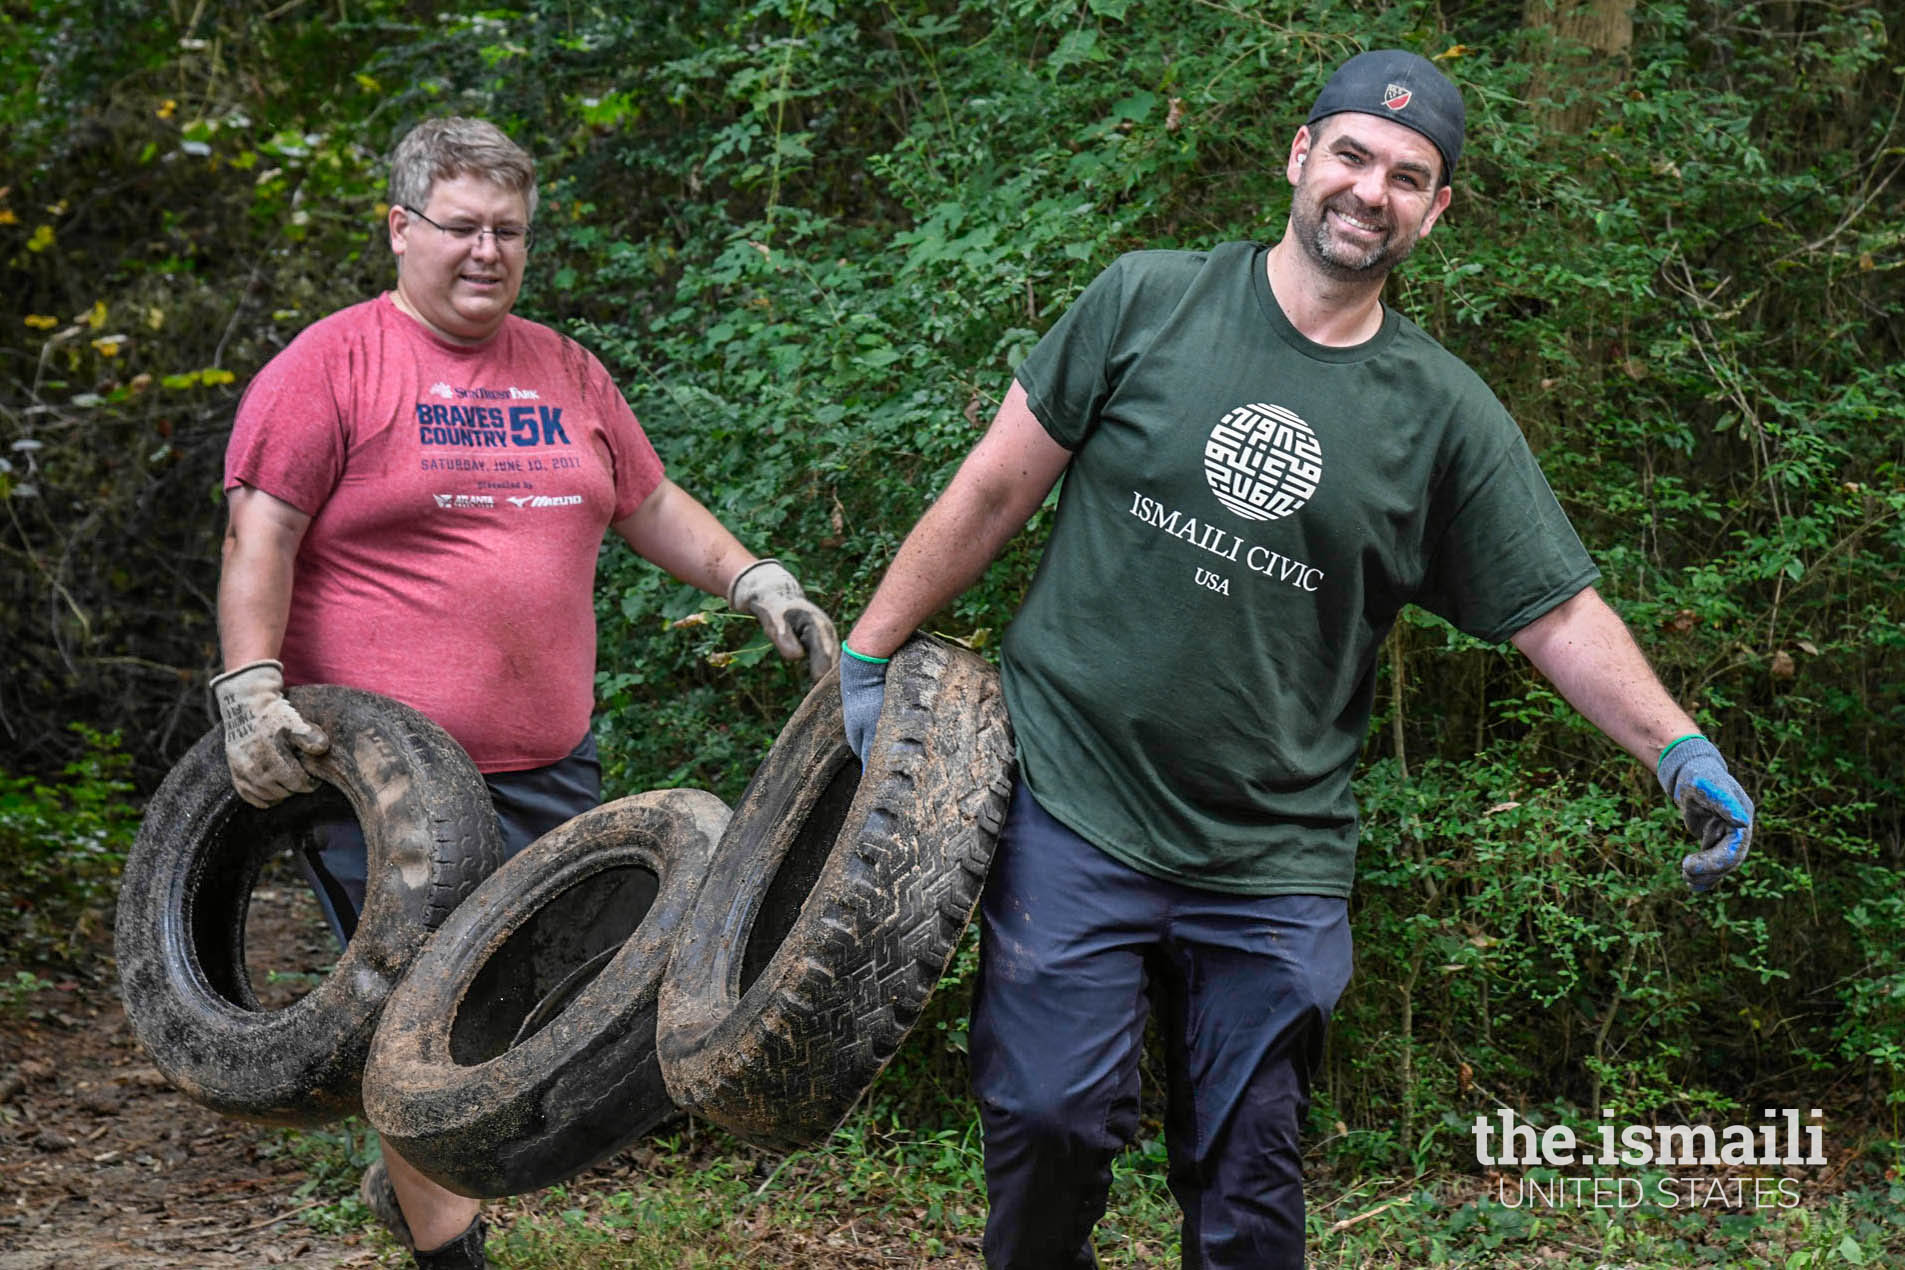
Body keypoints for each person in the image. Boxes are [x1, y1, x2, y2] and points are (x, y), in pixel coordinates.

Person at [837, 49, 1755, 1270]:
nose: (1370, 190)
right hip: (1075, 805)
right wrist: (868, 652)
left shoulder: (1443, 415)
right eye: (1353, 156)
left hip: (1273, 857)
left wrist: (1677, 746)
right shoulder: (1144, 302)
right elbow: (997, 485)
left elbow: (1555, 611)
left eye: (1407, 176)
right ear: (1300, 156)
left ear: (1439, 211)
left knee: (1251, 1189)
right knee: (1050, 1122)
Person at [211, 116, 838, 1270]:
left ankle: (405, 1179)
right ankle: (452, 1248)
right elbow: (264, 532)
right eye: (460, 227)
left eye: (509, 230)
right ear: (400, 230)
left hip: (550, 762)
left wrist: (754, 576)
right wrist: (251, 686)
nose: (487, 251)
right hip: (383, 781)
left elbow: (647, 502)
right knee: (410, 1017)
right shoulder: (330, 366)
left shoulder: (565, 369)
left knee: (521, 1009)